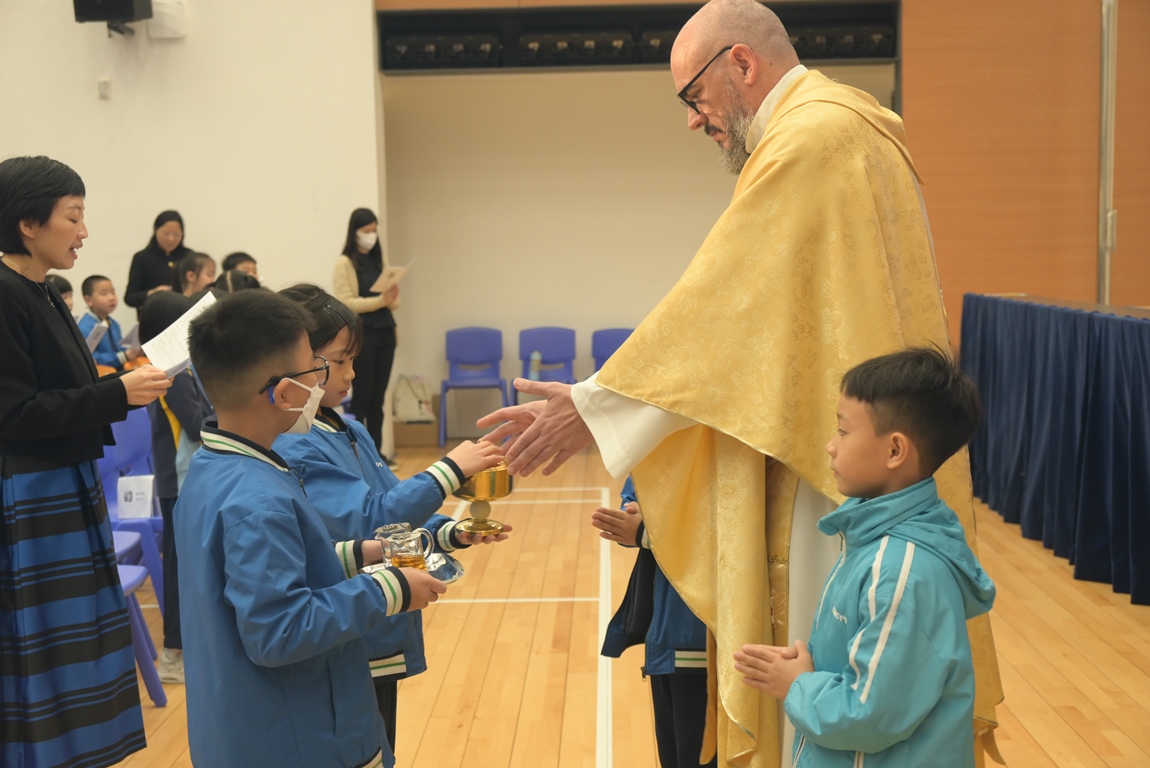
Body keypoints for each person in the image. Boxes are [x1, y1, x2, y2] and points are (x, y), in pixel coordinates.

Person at [477, 2, 1003, 765]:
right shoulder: (855, 125)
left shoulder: (808, 139)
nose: (694, 120)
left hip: (829, 466)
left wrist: (597, 406)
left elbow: (718, 302)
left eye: (694, 96)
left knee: (849, 689)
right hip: (872, 437)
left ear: (743, 64)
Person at [176, 290, 445, 768]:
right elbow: (279, 630)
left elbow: (253, 580)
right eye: (314, 371)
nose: (322, 382)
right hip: (297, 734)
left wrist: (357, 554)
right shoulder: (258, 499)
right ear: (283, 394)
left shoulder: (213, 466)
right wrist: (389, 590)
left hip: (243, 722)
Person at [734, 348, 996, 768]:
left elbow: (869, 716)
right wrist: (811, 669)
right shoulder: (873, 540)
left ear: (895, 450)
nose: (831, 446)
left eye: (843, 431)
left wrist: (798, 685)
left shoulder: (901, 571)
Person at [272, 283, 507, 749]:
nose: (351, 373)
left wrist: (450, 533)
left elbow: (393, 508)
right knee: (359, 747)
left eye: (352, 360)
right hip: (349, 629)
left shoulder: (349, 427)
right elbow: (369, 519)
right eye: (340, 360)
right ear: (298, 358)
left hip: (380, 619)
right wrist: (449, 470)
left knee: (382, 744)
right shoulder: (294, 443)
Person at [0, 155, 172, 768]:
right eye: (72, 217)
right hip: (32, 490)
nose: (83, 231)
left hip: (64, 479)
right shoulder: (5, 293)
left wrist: (123, 386)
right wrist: (117, 393)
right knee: (44, 647)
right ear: (27, 224)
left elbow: (67, 389)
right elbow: (15, 415)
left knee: (81, 638)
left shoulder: (44, 290)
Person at [595, 477, 714, 768]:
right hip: (664, 641)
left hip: (701, 643)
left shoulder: (726, 457)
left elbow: (733, 527)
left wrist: (648, 534)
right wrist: (632, 518)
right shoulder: (655, 451)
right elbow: (634, 493)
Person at [139, 291, 215, 685]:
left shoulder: (181, 369)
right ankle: (173, 654)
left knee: (184, 566)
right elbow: (199, 426)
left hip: (185, 482)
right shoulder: (171, 374)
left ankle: (185, 647)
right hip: (181, 483)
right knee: (180, 569)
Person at [332, 208, 400, 468]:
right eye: (366, 231)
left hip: (385, 333)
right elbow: (346, 302)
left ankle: (378, 454)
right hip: (363, 336)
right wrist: (381, 300)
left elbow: (393, 304)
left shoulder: (379, 260)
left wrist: (390, 298)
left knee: (378, 399)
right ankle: (358, 454)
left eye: (374, 230)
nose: (371, 235)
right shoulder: (344, 263)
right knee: (361, 398)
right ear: (355, 232)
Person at [125, 209, 192, 312]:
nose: (171, 239)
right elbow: (130, 297)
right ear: (155, 231)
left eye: (176, 235)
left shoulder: (190, 256)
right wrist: (152, 293)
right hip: (154, 315)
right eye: (166, 234)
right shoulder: (142, 258)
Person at [77, 274, 139, 370]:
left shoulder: (114, 324)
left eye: (113, 292)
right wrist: (123, 356)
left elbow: (118, 349)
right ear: (89, 300)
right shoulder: (84, 327)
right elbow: (90, 358)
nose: (111, 298)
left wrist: (132, 352)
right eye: (104, 293)